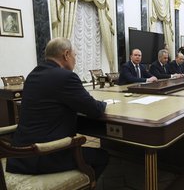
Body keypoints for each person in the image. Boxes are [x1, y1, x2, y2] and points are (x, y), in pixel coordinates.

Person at [6, 37, 109, 179]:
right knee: (102, 156)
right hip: (44, 154)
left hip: (20, 155)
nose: (75, 59)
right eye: (75, 55)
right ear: (66, 55)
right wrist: (104, 103)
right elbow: (95, 110)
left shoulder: (33, 75)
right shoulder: (66, 77)